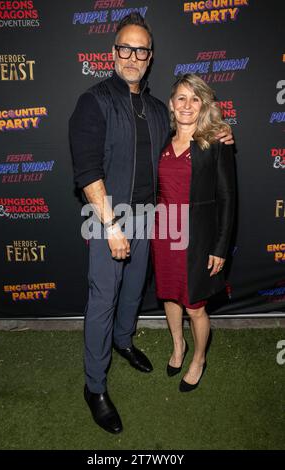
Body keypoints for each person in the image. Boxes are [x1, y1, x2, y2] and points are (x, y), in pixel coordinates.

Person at [69, 13, 234, 434]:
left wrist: (220, 131)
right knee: (103, 299)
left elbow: (185, 144)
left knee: (134, 289)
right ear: (113, 53)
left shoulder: (160, 109)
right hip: (108, 216)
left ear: (150, 57)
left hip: (153, 218)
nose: (132, 56)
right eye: (125, 48)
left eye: (141, 50)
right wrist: (110, 224)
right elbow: (87, 172)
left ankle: (124, 341)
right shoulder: (94, 101)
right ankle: (94, 386)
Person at [151, 74, 236, 392]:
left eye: (194, 98)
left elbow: (228, 198)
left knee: (194, 306)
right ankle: (178, 346)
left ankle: (199, 359)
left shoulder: (215, 143)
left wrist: (220, 246)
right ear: (171, 105)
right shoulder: (161, 140)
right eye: (181, 98)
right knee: (169, 297)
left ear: (203, 105)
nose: (187, 105)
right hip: (164, 233)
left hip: (198, 239)